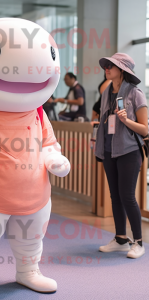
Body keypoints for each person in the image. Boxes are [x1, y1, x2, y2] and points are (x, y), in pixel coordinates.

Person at [95, 53, 148, 259]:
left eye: (111, 65)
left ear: (123, 69)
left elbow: (144, 130)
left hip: (129, 151)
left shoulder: (136, 93)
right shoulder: (107, 92)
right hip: (109, 150)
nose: (106, 68)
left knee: (127, 196)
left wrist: (126, 120)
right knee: (115, 197)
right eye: (106, 65)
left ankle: (139, 242)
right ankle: (120, 239)